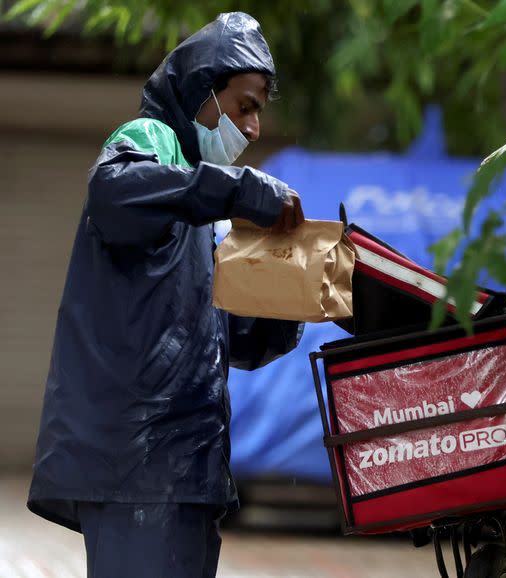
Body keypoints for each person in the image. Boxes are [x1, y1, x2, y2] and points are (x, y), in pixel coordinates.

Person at [27, 12, 304, 577]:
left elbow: (232, 340)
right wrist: (235, 190)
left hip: (187, 470)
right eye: (244, 105)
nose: (253, 129)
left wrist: (288, 300)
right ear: (203, 92)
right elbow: (113, 193)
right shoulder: (151, 142)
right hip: (139, 462)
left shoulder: (205, 216)